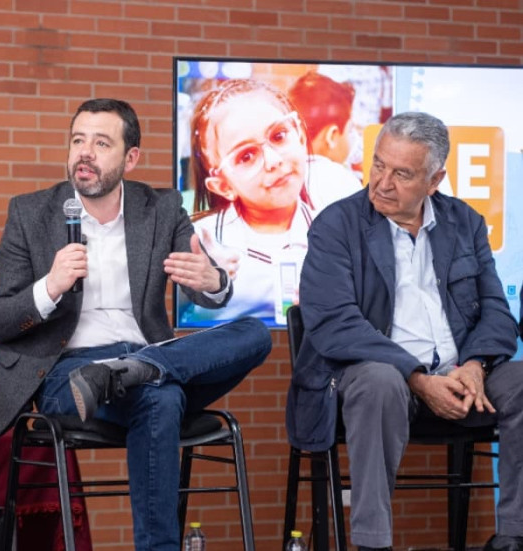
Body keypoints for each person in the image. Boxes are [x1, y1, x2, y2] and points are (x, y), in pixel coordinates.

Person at [0, 98, 272, 550]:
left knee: (253, 333)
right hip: (70, 373)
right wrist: (51, 286)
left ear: (130, 157)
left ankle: (140, 368)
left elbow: (201, 281)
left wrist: (214, 280)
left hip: (143, 357)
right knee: (161, 396)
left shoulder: (159, 208)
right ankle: (141, 373)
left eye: (101, 143)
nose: (85, 152)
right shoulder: (30, 214)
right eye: (78, 140)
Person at [288, 111, 523, 551]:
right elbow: (334, 324)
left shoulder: (465, 223)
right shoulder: (337, 225)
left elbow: (495, 309)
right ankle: (373, 543)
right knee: (380, 381)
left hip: (459, 376)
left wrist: (475, 365)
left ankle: (514, 535)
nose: (382, 183)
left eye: (402, 174)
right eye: (378, 165)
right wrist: (417, 377)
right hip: (371, 378)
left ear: (435, 180)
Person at [187, 78, 360, 323]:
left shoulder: (335, 201)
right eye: (246, 156)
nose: (273, 161)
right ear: (224, 186)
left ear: (299, 134)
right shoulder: (203, 242)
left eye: (279, 136)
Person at [287, 70, 364, 209]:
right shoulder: (343, 182)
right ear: (332, 136)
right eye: (350, 129)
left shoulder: (284, 176)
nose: (354, 137)